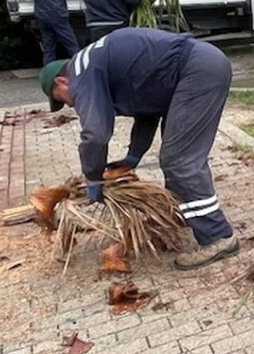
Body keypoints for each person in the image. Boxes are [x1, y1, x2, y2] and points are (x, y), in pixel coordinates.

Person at [37, 28, 238, 270]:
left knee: (179, 160)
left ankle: (218, 237)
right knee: (175, 156)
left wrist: (92, 178)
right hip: (198, 68)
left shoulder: (82, 73)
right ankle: (187, 214)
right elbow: (148, 111)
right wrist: (133, 156)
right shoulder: (94, 65)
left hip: (197, 71)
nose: (69, 105)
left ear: (62, 81)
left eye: (61, 99)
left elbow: (95, 134)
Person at [24, 0, 81, 65]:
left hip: (42, 20)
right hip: (59, 19)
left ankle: (49, 75)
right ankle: (78, 69)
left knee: (49, 49)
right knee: (72, 45)